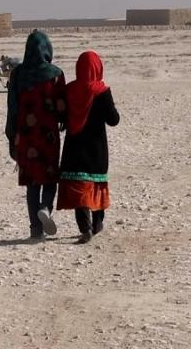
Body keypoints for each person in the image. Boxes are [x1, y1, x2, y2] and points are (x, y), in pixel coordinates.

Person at [5, 31, 67, 241]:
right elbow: (61, 107)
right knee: (50, 177)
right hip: (48, 135)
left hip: (26, 135)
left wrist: (12, 136)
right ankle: (46, 208)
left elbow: (12, 108)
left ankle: (35, 229)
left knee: (32, 183)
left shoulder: (18, 75)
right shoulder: (56, 74)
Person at [57, 50, 120, 244]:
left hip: (74, 147)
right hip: (96, 148)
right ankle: (98, 222)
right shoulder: (102, 91)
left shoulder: (69, 90)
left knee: (78, 187)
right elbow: (113, 120)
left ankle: (85, 228)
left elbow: (61, 116)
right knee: (96, 184)